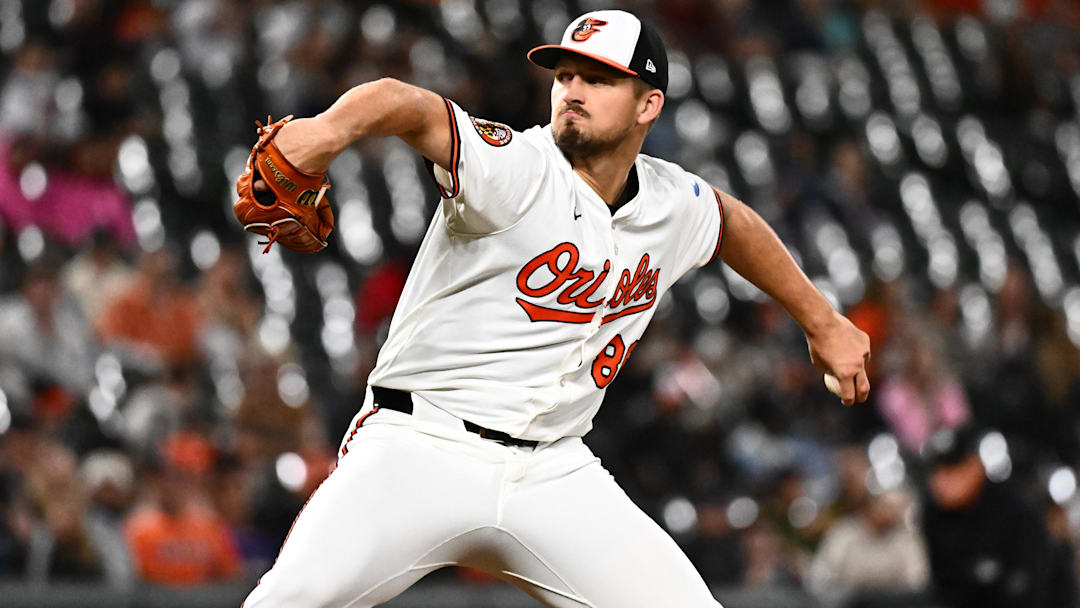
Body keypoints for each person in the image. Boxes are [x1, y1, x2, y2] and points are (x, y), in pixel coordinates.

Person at [241, 10, 870, 607]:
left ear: (648, 104)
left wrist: (822, 321)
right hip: (422, 443)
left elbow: (731, 223)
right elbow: (406, 103)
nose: (573, 90)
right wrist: (328, 131)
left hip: (553, 469)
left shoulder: (670, 201)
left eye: (598, 79)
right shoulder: (516, 166)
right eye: (565, 75)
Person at [921, 427, 1066, 608]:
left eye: (953, 470)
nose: (943, 480)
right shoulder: (933, 515)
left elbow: (1035, 583)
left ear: (976, 468)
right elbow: (943, 587)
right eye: (937, 471)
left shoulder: (1014, 508)